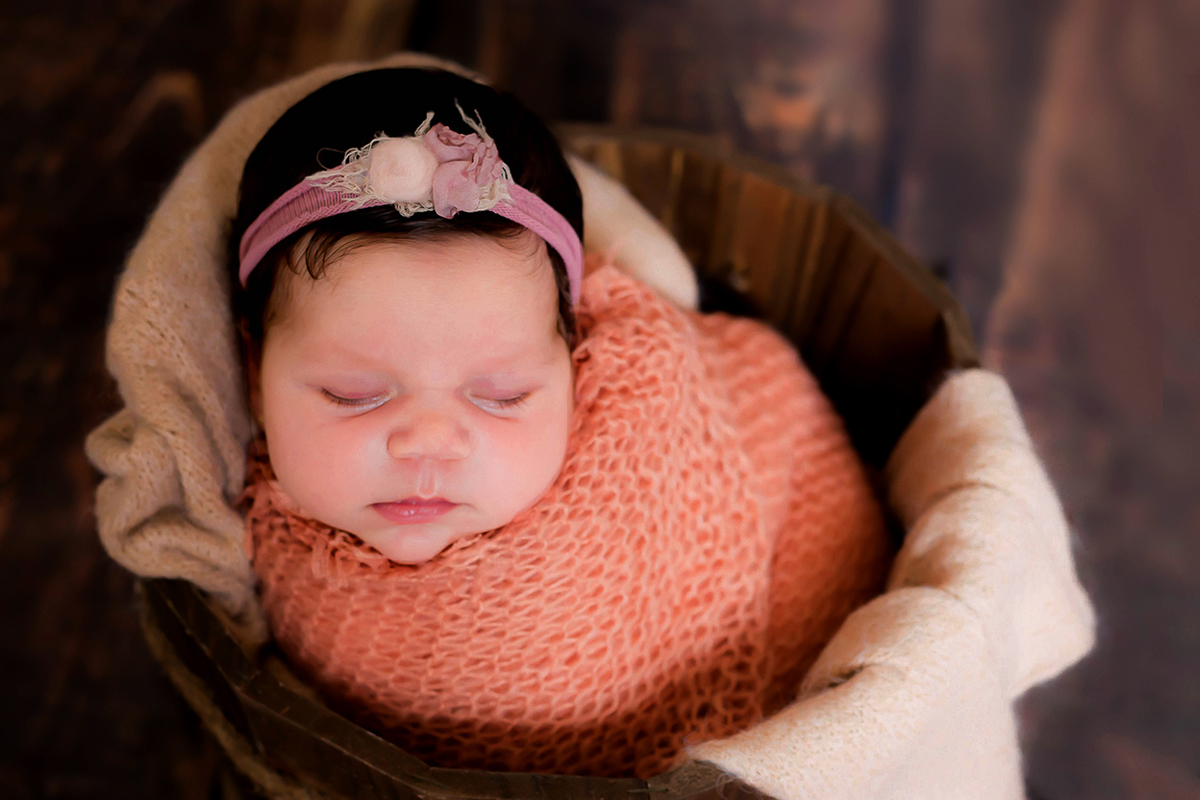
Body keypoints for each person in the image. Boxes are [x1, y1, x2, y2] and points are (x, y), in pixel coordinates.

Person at [231, 66, 890, 779]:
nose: (428, 441)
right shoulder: (241, 528)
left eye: (502, 394)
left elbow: (768, 429)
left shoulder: (641, 418)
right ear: (253, 368)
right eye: (351, 393)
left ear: (575, 356)